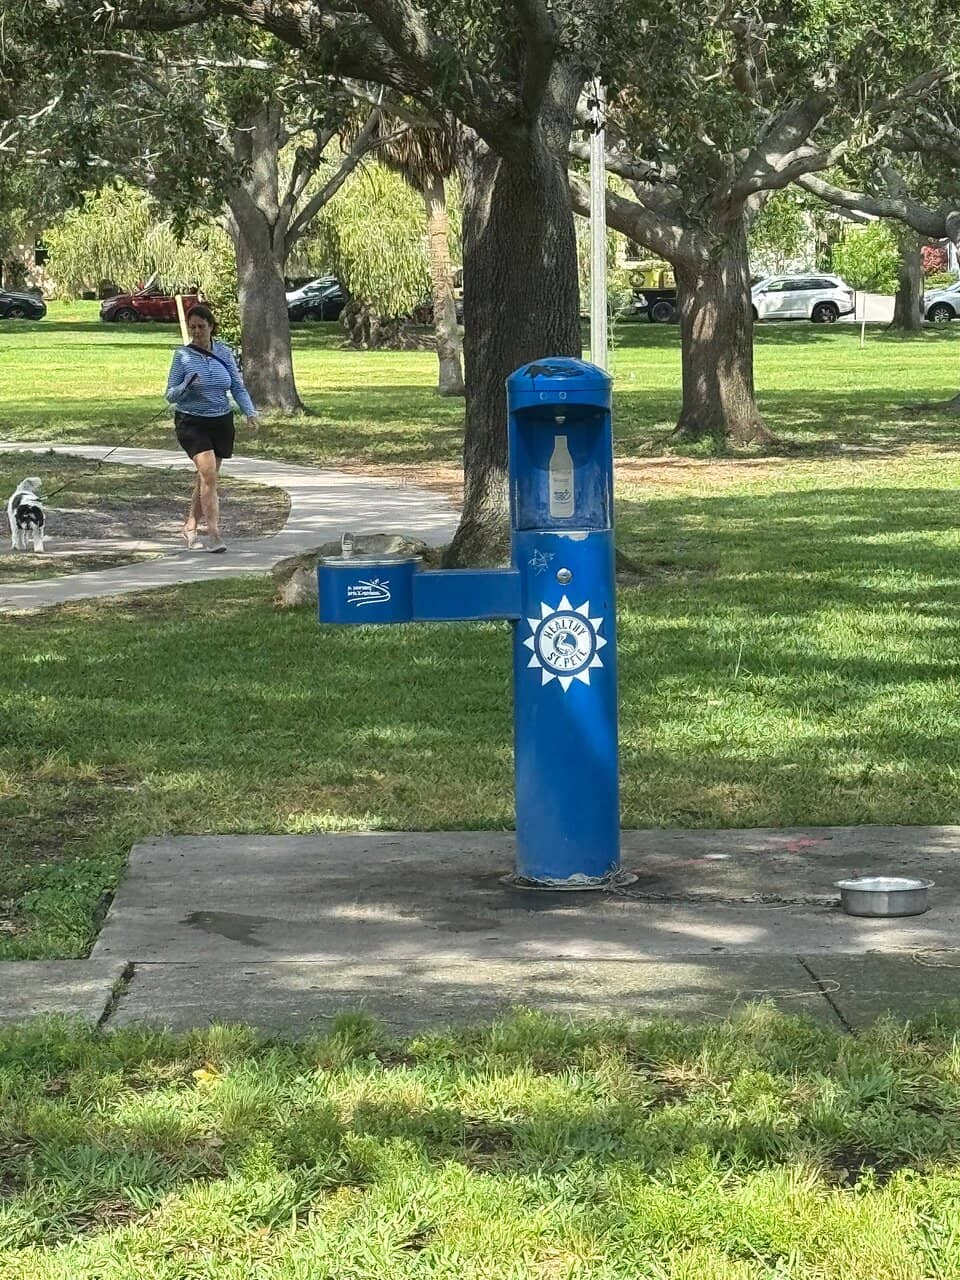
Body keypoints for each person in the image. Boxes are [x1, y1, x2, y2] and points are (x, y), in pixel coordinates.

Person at [164, 304, 260, 553]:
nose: (196, 332)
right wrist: (185, 385)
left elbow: (237, 387)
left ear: (211, 327)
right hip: (192, 421)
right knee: (208, 476)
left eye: (201, 327)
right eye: (193, 327)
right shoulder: (182, 356)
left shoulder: (224, 353)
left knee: (207, 479)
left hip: (221, 421)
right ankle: (215, 533)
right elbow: (170, 395)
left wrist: (250, 412)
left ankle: (191, 525)